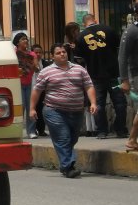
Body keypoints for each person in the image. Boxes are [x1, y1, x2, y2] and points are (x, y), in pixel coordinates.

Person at [30, 43, 97, 178]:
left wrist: (93, 103)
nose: (62, 54)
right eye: (58, 53)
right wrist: (32, 108)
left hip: (76, 111)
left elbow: (89, 86)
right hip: (54, 110)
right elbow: (37, 91)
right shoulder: (46, 72)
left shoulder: (79, 69)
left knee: (72, 138)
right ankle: (68, 167)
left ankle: (65, 163)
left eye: (64, 52)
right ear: (52, 56)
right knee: (63, 137)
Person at [75, 13, 127, 139]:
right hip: (113, 74)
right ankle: (120, 130)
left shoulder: (81, 37)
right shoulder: (108, 29)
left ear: (84, 24)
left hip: (95, 76)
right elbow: (119, 47)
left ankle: (102, 131)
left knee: (98, 104)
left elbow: (79, 59)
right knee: (119, 103)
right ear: (96, 20)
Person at [118, 0, 138, 152]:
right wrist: (124, 80)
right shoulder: (131, 31)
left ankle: (132, 140)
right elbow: (122, 57)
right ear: (137, 14)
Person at [12, 32, 39, 138]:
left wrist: (30, 63)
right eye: (23, 39)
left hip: (30, 83)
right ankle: (16, 131)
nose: (26, 41)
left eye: (26, 39)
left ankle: (31, 131)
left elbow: (37, 69)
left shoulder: (32, 54)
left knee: (31, 107)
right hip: (18, 84)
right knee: (20, 107)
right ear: (17, 42)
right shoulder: (13, 53)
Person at [31, 43, 51, 136]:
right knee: (33, 109)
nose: (38, 54)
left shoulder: (46, 64)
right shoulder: (29, 63)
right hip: (31, 89)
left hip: (42, 90)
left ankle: (41, 130)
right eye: (36, 52)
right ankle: (32, 129)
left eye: (40, 52)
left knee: (41, 109)